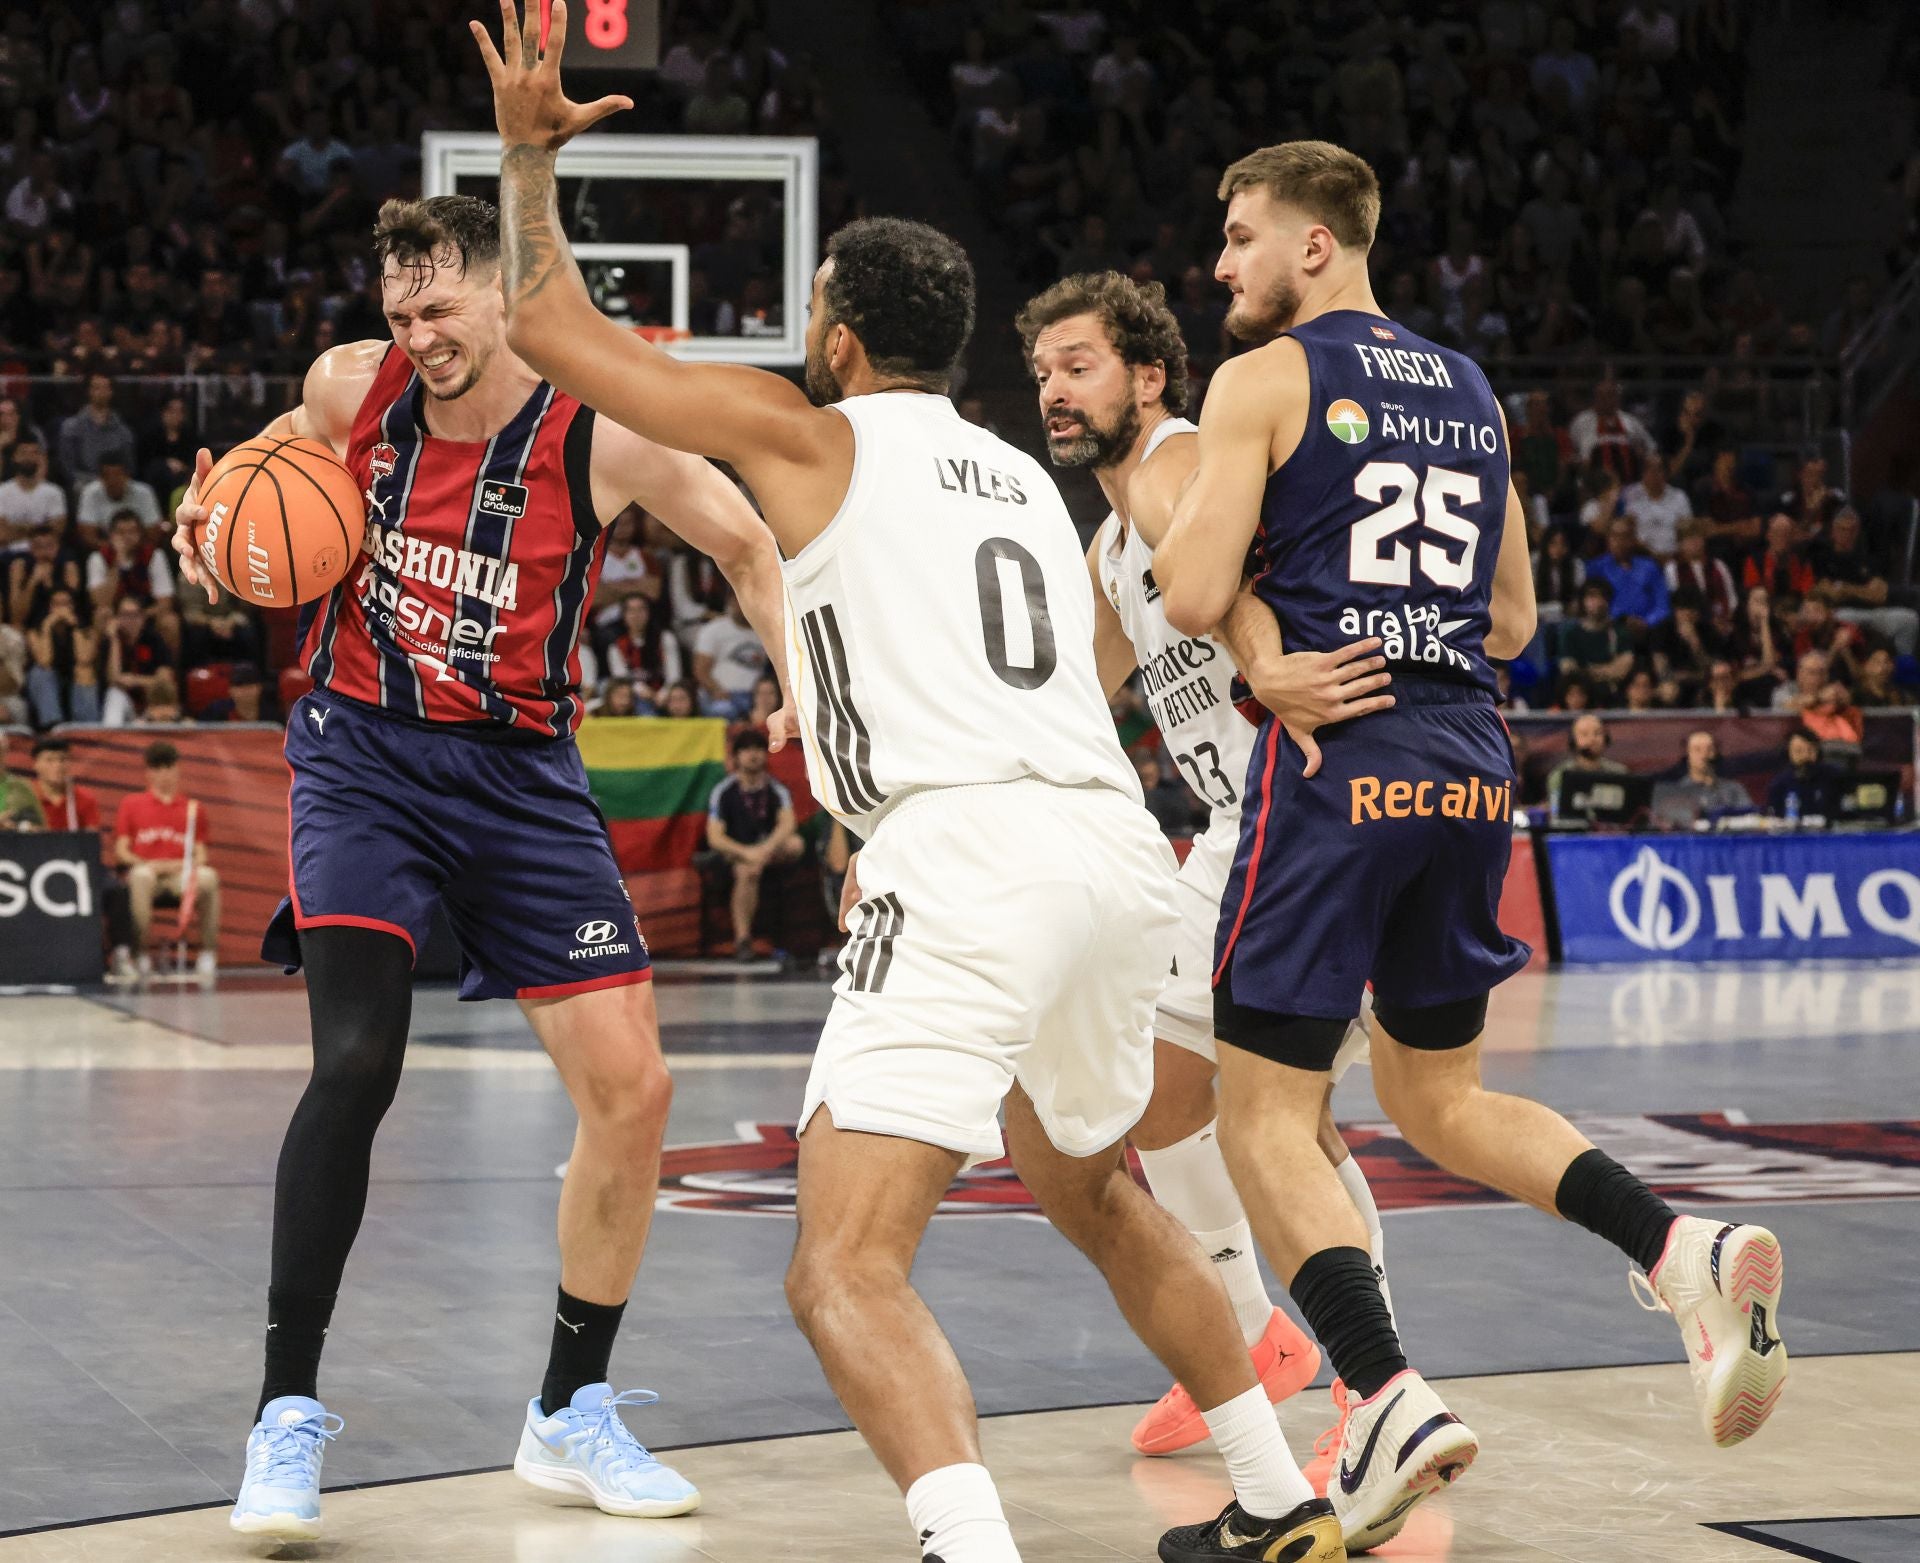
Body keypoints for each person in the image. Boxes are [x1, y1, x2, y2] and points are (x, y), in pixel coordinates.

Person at [476, 14, 1338, 1561]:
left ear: (845, 331)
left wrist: (530, 158)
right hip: (1111, 846)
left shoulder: (809, 436)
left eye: (814, 306)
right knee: (1095, 1189)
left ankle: (973, 1549)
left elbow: (549, 330)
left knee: (841, 1266)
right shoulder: (1016, 465)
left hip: (965, 855)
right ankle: (1278, 1495)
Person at [1147, 140, 1787, 1553]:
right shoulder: (1475, 390)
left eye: (1243, 237)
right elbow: (1510, 621)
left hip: (1336, 762)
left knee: (1260, 1114)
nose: (1224, 264)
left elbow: (1188, 587)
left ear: (1318, 246)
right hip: (1469, 760)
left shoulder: (1260, 379)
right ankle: (1679, 1251)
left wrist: (1270, 602)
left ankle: (1382, 1391)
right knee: (1439, 1097)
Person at [170, 191, 797, 1540]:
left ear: (502, 293)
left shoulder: (606, 425)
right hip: (365, 756)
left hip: (522, 778)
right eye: (401, 311)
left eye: (440, 305)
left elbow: (751, 544)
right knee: (354, 1061)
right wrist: (208, 517)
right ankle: (284, 1412)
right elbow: (249, 484)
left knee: (635, 1089)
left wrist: (799, 684)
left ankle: (571, 1407)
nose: (419, 332)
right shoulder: (352, 388)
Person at [1019, 268, 1397, 1460]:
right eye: (1040, 373)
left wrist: (1268, 667)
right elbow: (1072, 693)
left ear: (1147, 374)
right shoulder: (1109, 533)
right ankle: (1255, 1340)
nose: (1053, 391)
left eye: (1077, 365)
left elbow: (1226, 580)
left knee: (1287, 1115)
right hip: (1227, 839)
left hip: (1308, 825)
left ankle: (1372, 1382)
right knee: (1163, 1096)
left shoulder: (1183, 463)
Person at [113, 739, 220, 980]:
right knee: (139, 877)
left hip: (180, 874)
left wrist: (183, 865)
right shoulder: (131, 804)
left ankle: (208, 954)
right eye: (157, 768)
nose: (163, 774)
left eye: (168, 768)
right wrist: (145, 863)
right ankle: (140, 954)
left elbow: (201, 853)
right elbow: (121, 851)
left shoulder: (193, 808)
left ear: (178, 769)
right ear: (148, 772)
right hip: (147, 872)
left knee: (209, 877)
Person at [705, 727, 804, 960]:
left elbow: (788, 825)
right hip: (738, 851)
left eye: (758, 749)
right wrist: (747, 853)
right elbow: (715, 837)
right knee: (747, 871)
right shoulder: (724, 792)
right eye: (747, 750)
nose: (753, 755)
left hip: (768, 849)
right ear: (736, 756)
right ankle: (743, 939)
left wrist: (764, 850)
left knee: (795, 844)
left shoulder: (776, 789)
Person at [1586, 515, 1671, 636]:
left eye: (1625, 536)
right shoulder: (1596, 568)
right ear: (1608, 539)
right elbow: (1592, 604)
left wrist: (1647, 622)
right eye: (1615, 536)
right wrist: (1622, 621)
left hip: (1649, 630)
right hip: (1610, 629)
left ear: (1633, 539)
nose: (1620, 541)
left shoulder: (1650, 567)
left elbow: (1662, 605)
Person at [1651, 730, 1755, 827]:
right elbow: (1661, 825)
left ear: (1715, 753)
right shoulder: (1674, 791)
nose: (1704, 755)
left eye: (1709, 749)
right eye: (1697, 749)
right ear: (1687, 753)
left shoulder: (1733, 789)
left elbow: (1751, 820)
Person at [1545, 712, 1626, 815]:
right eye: (1584, 734)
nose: (1592, 739)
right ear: (1573, 741)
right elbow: (1556, 813)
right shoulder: (1560, 775)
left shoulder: (1620, 773)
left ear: (1606, 738)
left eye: (1598, 733)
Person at [1620, 451, 1691, 561]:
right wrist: (1652, 555)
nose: (1653, 473)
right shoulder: (1631, 494)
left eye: (1659, 469)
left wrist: (1674, 555)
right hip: (1642, 556)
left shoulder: (1679, 496)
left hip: (1675, 556)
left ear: (1666, 473)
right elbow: (1627, 530)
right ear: (1642, 473)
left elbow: (1686, 531)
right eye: (1648, 469)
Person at [1767, 727, 1841, 820]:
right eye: (1798, 751)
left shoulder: (1833, 777)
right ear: (1788, 754)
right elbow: (1774, 818)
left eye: (1810, 750)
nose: (1805, 756)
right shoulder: (1779, 783)